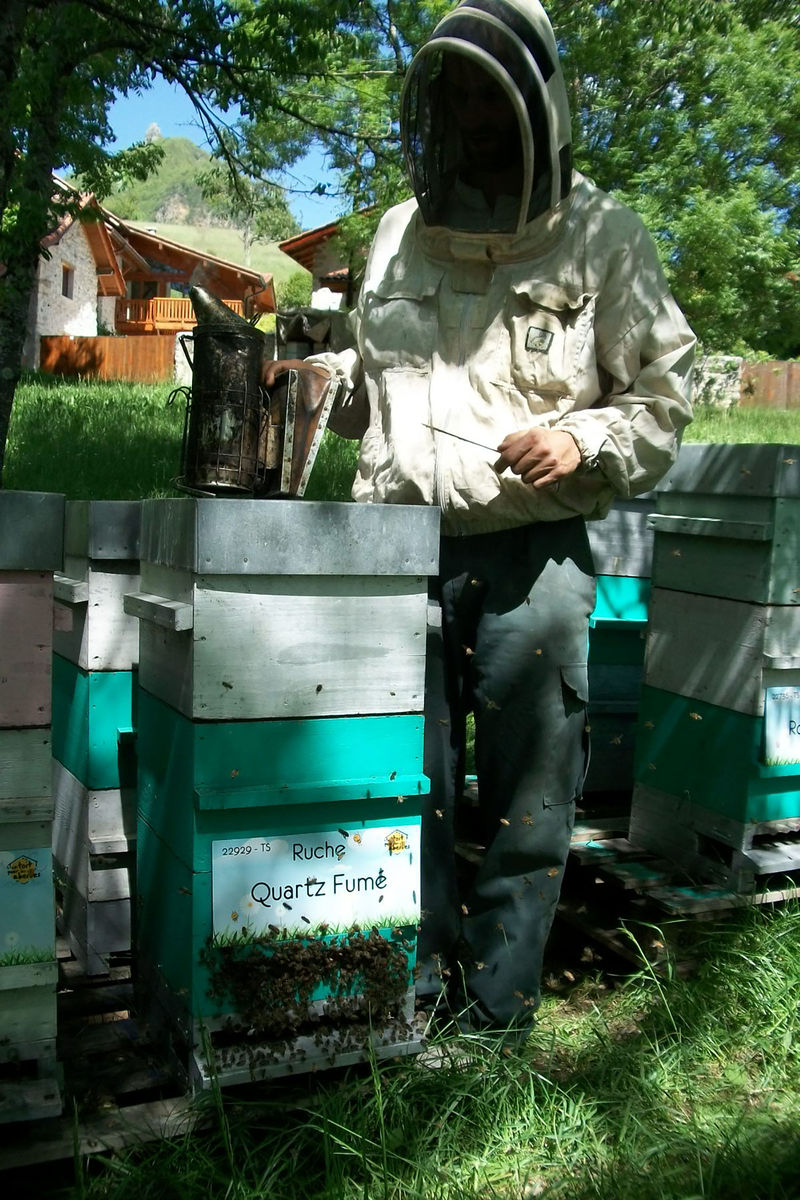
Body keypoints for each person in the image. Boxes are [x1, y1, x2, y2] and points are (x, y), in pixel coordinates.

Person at [264, 0, 695, 1037]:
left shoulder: (604, 236)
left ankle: (494, 1015)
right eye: (451, 89)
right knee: (398, 785)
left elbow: (663, 399)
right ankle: (405, 998)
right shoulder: (397, 233)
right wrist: (317, 383)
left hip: (531, 556)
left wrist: (583, 440)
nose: (468, 110)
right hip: (391, 548)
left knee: (526, 800)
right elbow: (378, 379)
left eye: (486, 90)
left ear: (534, 103)